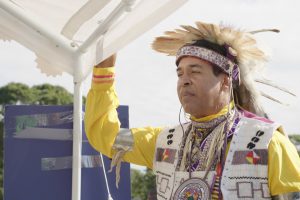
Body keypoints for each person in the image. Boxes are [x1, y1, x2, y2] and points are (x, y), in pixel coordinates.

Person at [84, 21, 300, 200]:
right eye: (179, 74)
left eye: (194, 72)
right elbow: (107, 137)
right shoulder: (165, 142)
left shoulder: (267, 143)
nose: (184, 81)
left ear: (225, 81)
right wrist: (104, 72)